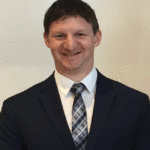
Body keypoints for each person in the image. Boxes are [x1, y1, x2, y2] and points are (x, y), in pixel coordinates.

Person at [0, 0, 150, 149]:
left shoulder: (136, 105)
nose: (70, 45)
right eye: (59, 36)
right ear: (46, 39)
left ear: (97, 38)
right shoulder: (16, 110)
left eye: (80, 34)